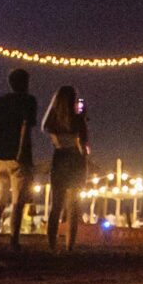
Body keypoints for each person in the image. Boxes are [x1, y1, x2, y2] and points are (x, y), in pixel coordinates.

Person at [0, 68, 41, 250]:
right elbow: (25, 126)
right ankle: (13, 240)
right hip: (18, 158)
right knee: (18, 201)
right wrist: (20, 152)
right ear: (25, 83)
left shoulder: (0, 101)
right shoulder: (29, 101)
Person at [42, 85, 90, 251]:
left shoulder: (51, 122)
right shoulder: (78, 120)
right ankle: (69, 245)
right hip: (75, 160)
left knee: (56, 206)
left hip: (59, 158)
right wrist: (83, 119)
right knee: (73, 207)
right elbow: (84, 146)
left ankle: (52, 246)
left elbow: (53, 138)